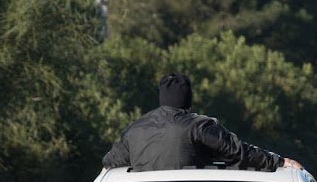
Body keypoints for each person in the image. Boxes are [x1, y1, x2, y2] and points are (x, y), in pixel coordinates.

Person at [103, 73, 302, 172]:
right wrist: (280, 162)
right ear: (188, 101)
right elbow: (238, 152)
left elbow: (109, 165)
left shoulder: (134, 130)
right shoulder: (197, 126)